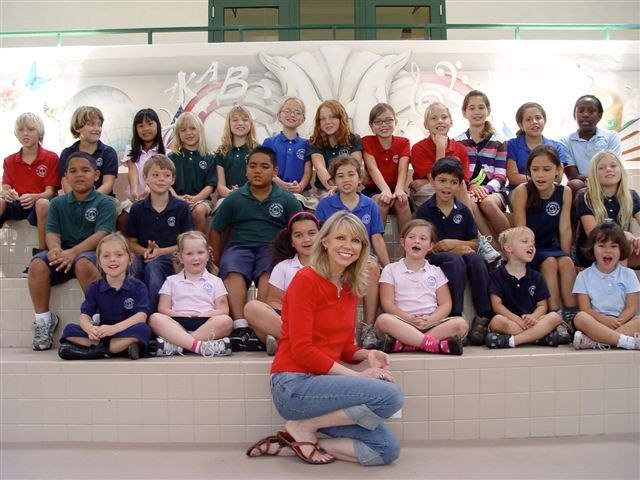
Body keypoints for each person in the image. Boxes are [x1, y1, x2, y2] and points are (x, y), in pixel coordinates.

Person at [247, 211, 403, 466]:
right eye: (340, 238)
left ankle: (299, 437)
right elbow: (301, 350)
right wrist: (359, 376)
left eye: (355, 241)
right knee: (389, 397)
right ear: (325, 241)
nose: (348, 246)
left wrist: (366, 355)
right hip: (294, 385)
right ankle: (305, 426)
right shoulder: (305, 280)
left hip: (325, 388)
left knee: (386, 450)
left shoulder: (350, 286)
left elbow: (342, 347)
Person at [209, 146, 302, 351]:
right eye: (252, 166)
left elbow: (301, 225)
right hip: (239, 246)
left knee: (271, 270)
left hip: (271, 248)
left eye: (264, 166)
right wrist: (216, 260)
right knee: (231, 266)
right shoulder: (235, 198)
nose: (257, 171)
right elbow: (216, 229)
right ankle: (241, 327)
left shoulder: (286, 198)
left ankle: (262, 327)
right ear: (246, 170)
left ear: (275, 171)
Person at [28, 151, 116, 351]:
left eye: (85, 170)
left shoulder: (105, 203)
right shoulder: (58, 203)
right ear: (65, 176)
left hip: (91, 254)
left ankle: (97, 318)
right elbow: (52, 232)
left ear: (96, 175)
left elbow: (102, 235)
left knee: (83, 263)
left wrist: (73, 252)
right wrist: (56, 250)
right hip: (64, 256)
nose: (79, 175)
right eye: (73, 171)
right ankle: (43, 321)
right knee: (37, 264)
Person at [414, 156, 494, 346]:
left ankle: (483, 317)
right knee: (454, 261)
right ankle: (454, 315)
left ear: (459, 185)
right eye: (442, 181)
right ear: (432, 181)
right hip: (436, 258)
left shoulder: (464, 211)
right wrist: (453, 248)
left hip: (460, 252)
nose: (447, 186)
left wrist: (454, 244)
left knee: (476, 260)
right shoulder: (425, 210)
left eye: (453, 182)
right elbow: (427, 244)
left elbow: (474, 242)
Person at [316, 156, 391, 349]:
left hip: (361, 256)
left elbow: (376, 237)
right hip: (333, 256)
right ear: (332, 181)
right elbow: (321, 237)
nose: (346, 179)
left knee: (373, 268)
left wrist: (389, 266)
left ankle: (368, 327)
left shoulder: (369, 204)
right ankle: (333, 330)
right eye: (340, 176)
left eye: (351, 174)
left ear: (360, 178)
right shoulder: (325, 205)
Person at [511, 144, 577, 343]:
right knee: (549, 262)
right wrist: (525, 255)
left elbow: (565, 228)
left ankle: (572, 315)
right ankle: (555, 316)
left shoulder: (564, 192)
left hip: (551, 246)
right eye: (535, 169)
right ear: (528, 171)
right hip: (530, 248)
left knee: (565, 263)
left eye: (547, 169)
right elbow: (520, 230)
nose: (540, 175)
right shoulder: (522, 191)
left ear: (558, 170)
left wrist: (567, 255)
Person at [375, 219, 467, 354]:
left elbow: (446, 304)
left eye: (423, 238)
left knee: (461, 325)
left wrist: (431, 319)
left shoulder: (435, 271)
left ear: (430, 246)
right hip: (403, 324)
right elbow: (387, 303)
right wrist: (409, 318)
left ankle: (408, 345)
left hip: (430, 324)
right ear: (402, 242)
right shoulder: (391, 269)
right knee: (383, 321)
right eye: (411, 237)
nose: (416, 241)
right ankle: (434, 344)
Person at [57, 233, 151, 360]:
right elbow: (85, 315)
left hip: (124, 330)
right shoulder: (95, 287)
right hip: (102, 332)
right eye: (106, 256)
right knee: (69, 330)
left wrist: (114, 329)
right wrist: (90, 329)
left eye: (119, 255)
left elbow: (141, 316)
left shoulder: (138, 287)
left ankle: (96, 351)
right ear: (99, 263)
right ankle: (118, 349)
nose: (113, 259)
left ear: (130, 259)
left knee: (142, 330)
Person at [243, 211, 320, 355]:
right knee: (252, 307)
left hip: (318, 321)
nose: (306, 239)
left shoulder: (331, 266)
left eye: (311, 233)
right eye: (298, 235)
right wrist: (294, 313)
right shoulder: (283, 266)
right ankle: (296, 343)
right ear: (291, 241)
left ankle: (285, 343)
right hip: (290, 320)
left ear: (321, 235)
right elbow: (273, 302)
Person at [148, 231, 232, 357]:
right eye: (189, 253)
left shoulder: (216, 281)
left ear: (208, 255)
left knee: (226, 321)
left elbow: (223, 310)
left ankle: (179, 344)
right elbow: (162, 308)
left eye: (200, 252)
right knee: (154, 319)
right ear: (180, 257)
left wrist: (206, 314)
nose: (195, 258)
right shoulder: (171, 280)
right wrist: (176, 314)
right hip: (178, 322)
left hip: (205, 322)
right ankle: (200, 346)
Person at [125, 154, 192, 311]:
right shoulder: (137, 208)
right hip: (144, 255)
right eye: (155, 175)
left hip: (171, 256)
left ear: (173, 180)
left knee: (153, 269)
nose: (161, 179)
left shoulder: (181, 207)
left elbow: (186, 243)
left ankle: (151, 315)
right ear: (145, 178)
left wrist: (160, 251)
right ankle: (128, 313)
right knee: (131, 267)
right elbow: (131, 242)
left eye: (166, 175)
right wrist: (145, 251)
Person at [485, 226, 562, 348]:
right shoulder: (497, 275)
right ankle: (537, 337)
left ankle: (512, 341)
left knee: (555, 317)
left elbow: (542, 305)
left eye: (533, 243)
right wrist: (517, 320)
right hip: (511, 321)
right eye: (525, 241)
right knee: (497, 321)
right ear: (508, 248)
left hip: (531, 321)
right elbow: (496, 305)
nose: (531, 245)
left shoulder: (537, 276)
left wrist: (533, 317)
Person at [455, 90, 510, 257]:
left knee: (486, 203)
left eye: (481, 107)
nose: (477, 112)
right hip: (469, 190)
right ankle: (493, 250)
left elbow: (501, 176)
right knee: (470, 203)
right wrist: (472, 187)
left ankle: (512, 243)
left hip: (493, 191)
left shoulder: (499, 140)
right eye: (471, 108)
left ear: (488, 110)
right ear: (464, 112)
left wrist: (486, 189)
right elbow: (459, 174)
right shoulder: (457, 141)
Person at [572, 222, 640, 350]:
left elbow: (632, 307)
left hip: (621, 322)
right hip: (595, 323)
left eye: (614, 246)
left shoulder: (629, 274)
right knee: (580, 318)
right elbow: (585, 309)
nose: (607, 250)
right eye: (602, 246)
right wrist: (604, 320)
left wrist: (617, 321)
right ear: (593, 248)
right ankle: (625, 341)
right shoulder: (583, 276)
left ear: (621, 250)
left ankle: (596, 342)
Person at [1, 112, 59, 259]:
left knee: (42, 203)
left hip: (38, 204)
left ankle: (41, 255)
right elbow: (6, 188)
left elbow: (50, 192)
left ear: (40, 133)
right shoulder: (9, 160)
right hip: (17, 203)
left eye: (30, 129)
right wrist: (7, 193)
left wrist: (34, 197)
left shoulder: (51, 158)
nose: (25, 134)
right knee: (0, 201)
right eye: (21, 130)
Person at [574, 150, 640, 269]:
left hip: (623, 249)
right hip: (593, 252)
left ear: (621, 169)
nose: (609, 169)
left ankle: (622, 282)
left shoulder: (631, 195)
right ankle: (619, 285)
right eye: (602, 168)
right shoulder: (585, 196)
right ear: (594, 173)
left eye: (613, 165)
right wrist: (623, 235)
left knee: (627, 243)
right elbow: (594, 233)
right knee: (624, 241)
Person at [361, 102, 412, 234]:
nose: (384, 125)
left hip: (397, 189)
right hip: (374, 190)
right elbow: (372, 169)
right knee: (382, 201)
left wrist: (399, 189)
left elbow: (403, 169)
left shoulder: (404, 142)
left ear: (395, 122)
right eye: (378, 121)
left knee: (402, 202)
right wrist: (385, 190)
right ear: (371, 126)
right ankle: (374, 250)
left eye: (388, 120)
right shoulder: (367, 141)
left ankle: (408, 249)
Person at [409, 102, 469, 208]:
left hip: (454, 189)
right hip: (428, 192)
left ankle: (467, 223)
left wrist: (426, 181)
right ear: (425, 125)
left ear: (451, 122)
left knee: (461, 188)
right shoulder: (418, 148)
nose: (440, 121)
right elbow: (437, 180)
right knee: (440, 193)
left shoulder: (461, 149)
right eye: (434, 118)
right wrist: (440, 147)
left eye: (444, 117)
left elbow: (462, 181)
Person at [560, 95, 622, 197]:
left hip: (608, 181)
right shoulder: (565, 141)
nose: (585, 114)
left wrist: (600, 180)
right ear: (574, 115)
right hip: (583, 185)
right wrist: (592, 182)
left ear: (600, 115)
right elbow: (573, 175)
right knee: (574, 184)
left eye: (591, 111)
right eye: (580, 111)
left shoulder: (611, 136)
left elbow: (613, 168)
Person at [505, 102, 567, 201]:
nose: (534, 122)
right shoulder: (512, 145)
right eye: (528, 119)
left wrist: (540, 183)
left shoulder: (556, 146)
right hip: (520, 191)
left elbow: (558, 176)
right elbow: (513, 177)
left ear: (545, 121)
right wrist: (539, 180)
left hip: (549, 191)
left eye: (538, 118)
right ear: (521, 125)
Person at [168, 111, 217, 233]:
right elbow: (167, 184)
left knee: (198, 211)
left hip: (202, 200)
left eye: (192, 128)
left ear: (199, 130)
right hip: (176, 198)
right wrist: (177, 198)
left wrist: (195, 199)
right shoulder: (172, 157)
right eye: (183, 130)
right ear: (178, 134)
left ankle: (198, 244)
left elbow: (210, 186)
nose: (188, 133)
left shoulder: (209, 157)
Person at [120, 108, 166, 229]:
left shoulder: (166, 152)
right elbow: (132, 170)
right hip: (136, 198)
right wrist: (134, 191)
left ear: (158, 125)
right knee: (123, 218)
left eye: (150, 124)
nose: (145, 129)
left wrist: (148, 189)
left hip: (159, 197)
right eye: (140, 126)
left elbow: (159, 175)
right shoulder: (130, 149)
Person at [58, 106, 118, 197]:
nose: (97, 128)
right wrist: (78, 201)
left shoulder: (108, 152)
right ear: (78, 127)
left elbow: (108, 185)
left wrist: (89, 200)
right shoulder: (67, 153)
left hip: (102, 200)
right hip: (74, 201)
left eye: (99, 125)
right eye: (91, 124)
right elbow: (66, 185)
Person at [262, 96, 312, 203]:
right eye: (287, 111)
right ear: (279, 116)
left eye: (297, 112)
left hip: (301, 194)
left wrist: (300, 186)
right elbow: (266, 169)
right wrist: (282, 185)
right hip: (273, 191)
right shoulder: (269, 143)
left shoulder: (306, 144)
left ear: (303, 119)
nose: (292, 115)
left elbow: (307, 172)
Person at [309, 99, 363, 194]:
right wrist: (333, 188)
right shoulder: (315, 141)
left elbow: (356, 167)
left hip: (350, 189)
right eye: (323, 118)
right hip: (326, 190)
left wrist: (344, 189)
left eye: (332, 117)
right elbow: (319, 167)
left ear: (341, 118)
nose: (327, 122)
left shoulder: (354, 139)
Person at [215, 105, 258, 203]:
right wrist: (232, 194)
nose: (240, 123)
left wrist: (242, 193)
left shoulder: (258, 150)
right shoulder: (221, 151)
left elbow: (260, 181)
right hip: (227, 198)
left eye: (245, 120)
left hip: (252, 198)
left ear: (250, 123)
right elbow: (220, 185)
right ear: (229, 124)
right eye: (235, 120)